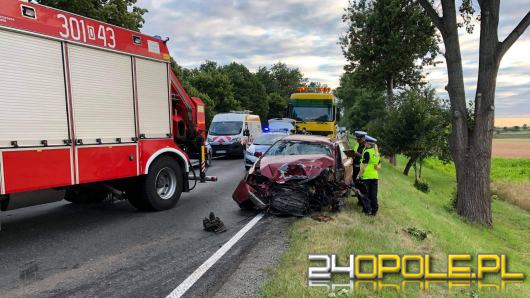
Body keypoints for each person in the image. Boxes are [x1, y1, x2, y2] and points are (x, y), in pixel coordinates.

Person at [356, 136, 380, 215]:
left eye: (365, 142)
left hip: (366, 176)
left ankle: (367, 210)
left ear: (368, 144)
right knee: (373, 194)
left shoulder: (367, 152)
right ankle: (374, 210)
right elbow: (378, 165)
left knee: (365, 194)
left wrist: (358, 175)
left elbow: (363, 166)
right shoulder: (376, 152)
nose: (364, 143)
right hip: (374, 176)